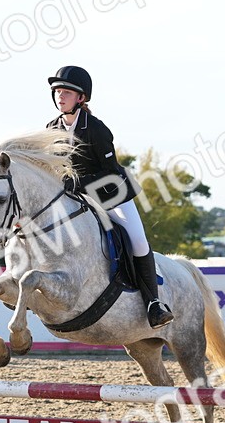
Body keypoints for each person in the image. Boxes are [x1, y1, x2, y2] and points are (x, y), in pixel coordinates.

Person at [45, 65, 174, 329]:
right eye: (57, 91)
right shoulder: (51, 128)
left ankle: (154, 303)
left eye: (67, 92)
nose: (60, 96)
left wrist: (80, 183)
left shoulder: (96, 129)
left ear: (81, 98)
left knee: (138, 241)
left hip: (111, 195)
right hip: (74, 199)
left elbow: (111, 172)